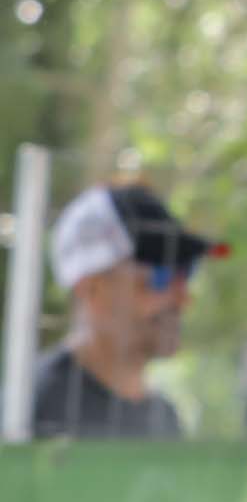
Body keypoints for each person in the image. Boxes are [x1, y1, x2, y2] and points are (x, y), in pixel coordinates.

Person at [32, 181, 224, 440]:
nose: (183, 298)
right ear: (93, 288)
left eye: (186, 273)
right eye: (161, 275)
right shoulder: (29, 410)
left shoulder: (165, 419)